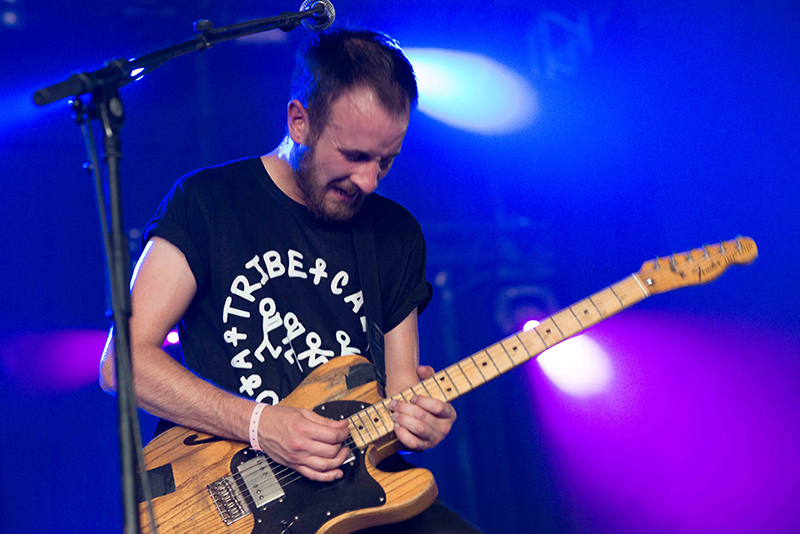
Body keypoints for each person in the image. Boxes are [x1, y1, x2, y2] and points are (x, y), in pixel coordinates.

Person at [99, 27, 482, 533]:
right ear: (299, 121)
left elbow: (402, 390)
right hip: (227, 497)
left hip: (358, 496)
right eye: (354, 156)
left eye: (385, 161)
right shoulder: (207, 202)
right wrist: (261, 425)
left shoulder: (396, 233)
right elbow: (122, 364)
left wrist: (420, 423)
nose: (368, 181)